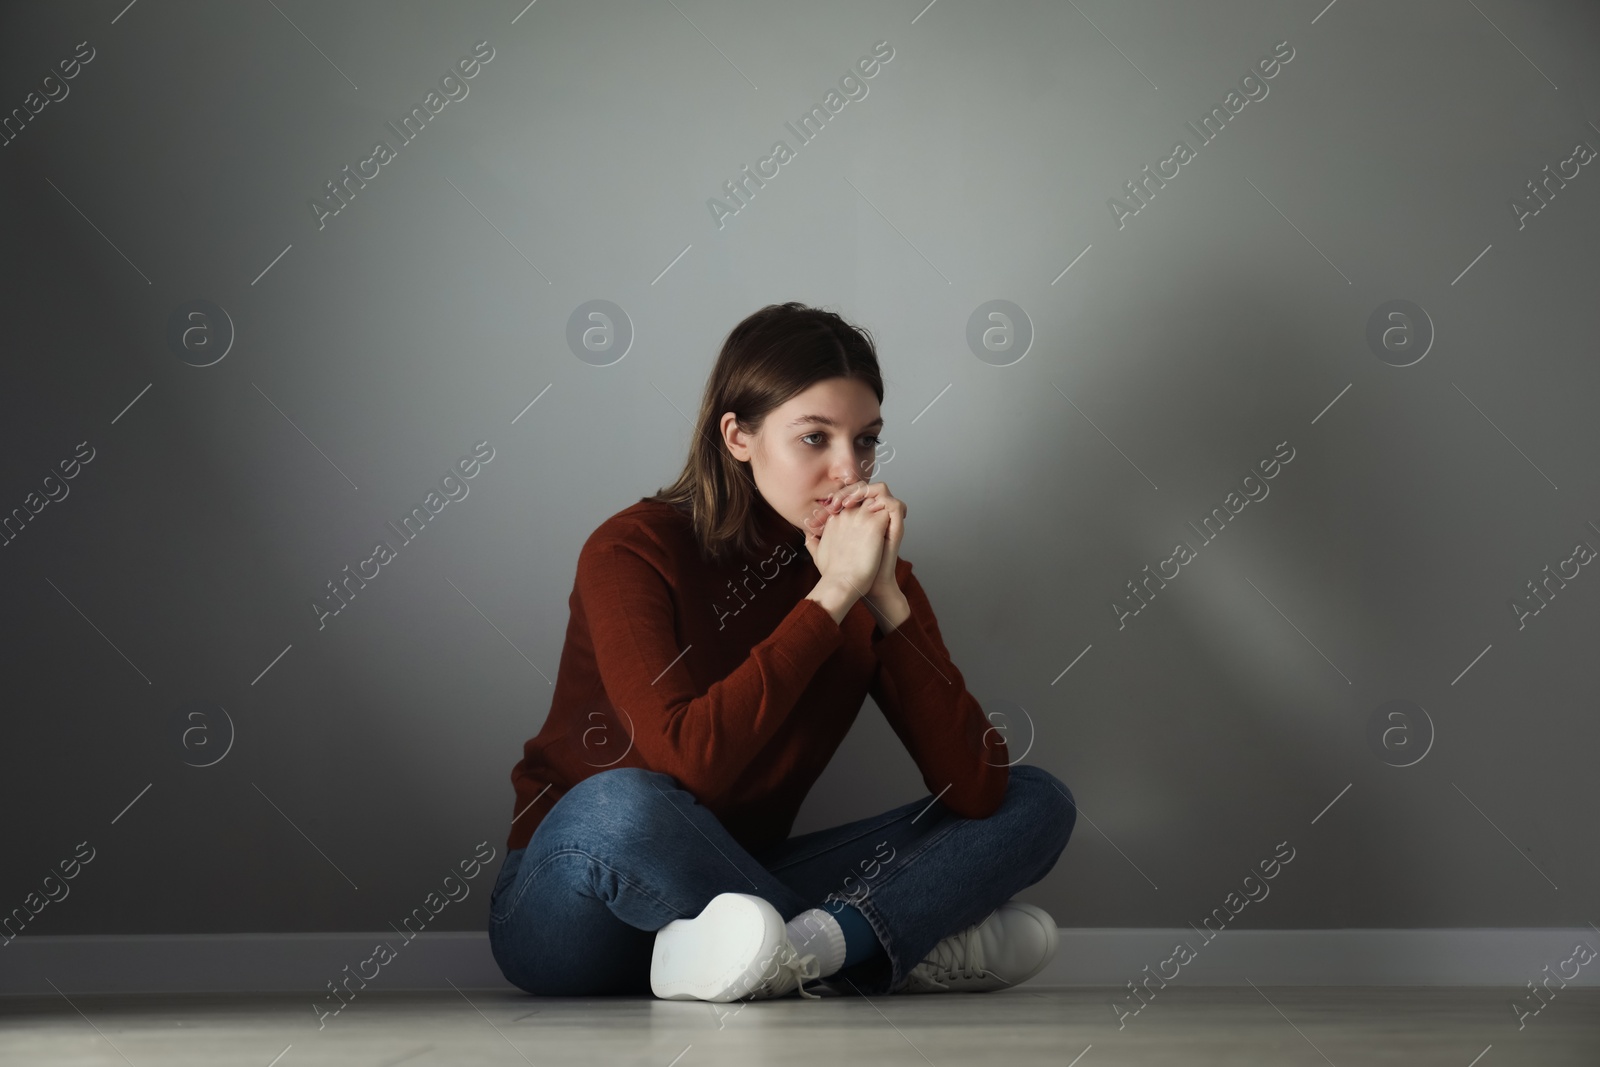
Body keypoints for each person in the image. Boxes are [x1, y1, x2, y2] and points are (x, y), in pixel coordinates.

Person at [489, 302, 1077, 1002]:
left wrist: (887, 600)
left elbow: (973, 790)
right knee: (622, 801)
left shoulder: (869, 573)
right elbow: (689, 762)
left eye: (866, 441)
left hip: (741, 894)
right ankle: (873, 944)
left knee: (1034, 798)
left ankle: (799, 951)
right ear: (738, 436)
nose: (847, 469)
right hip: (577, 898)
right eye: (815, 438)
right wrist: (831, 598)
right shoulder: (631, 549)